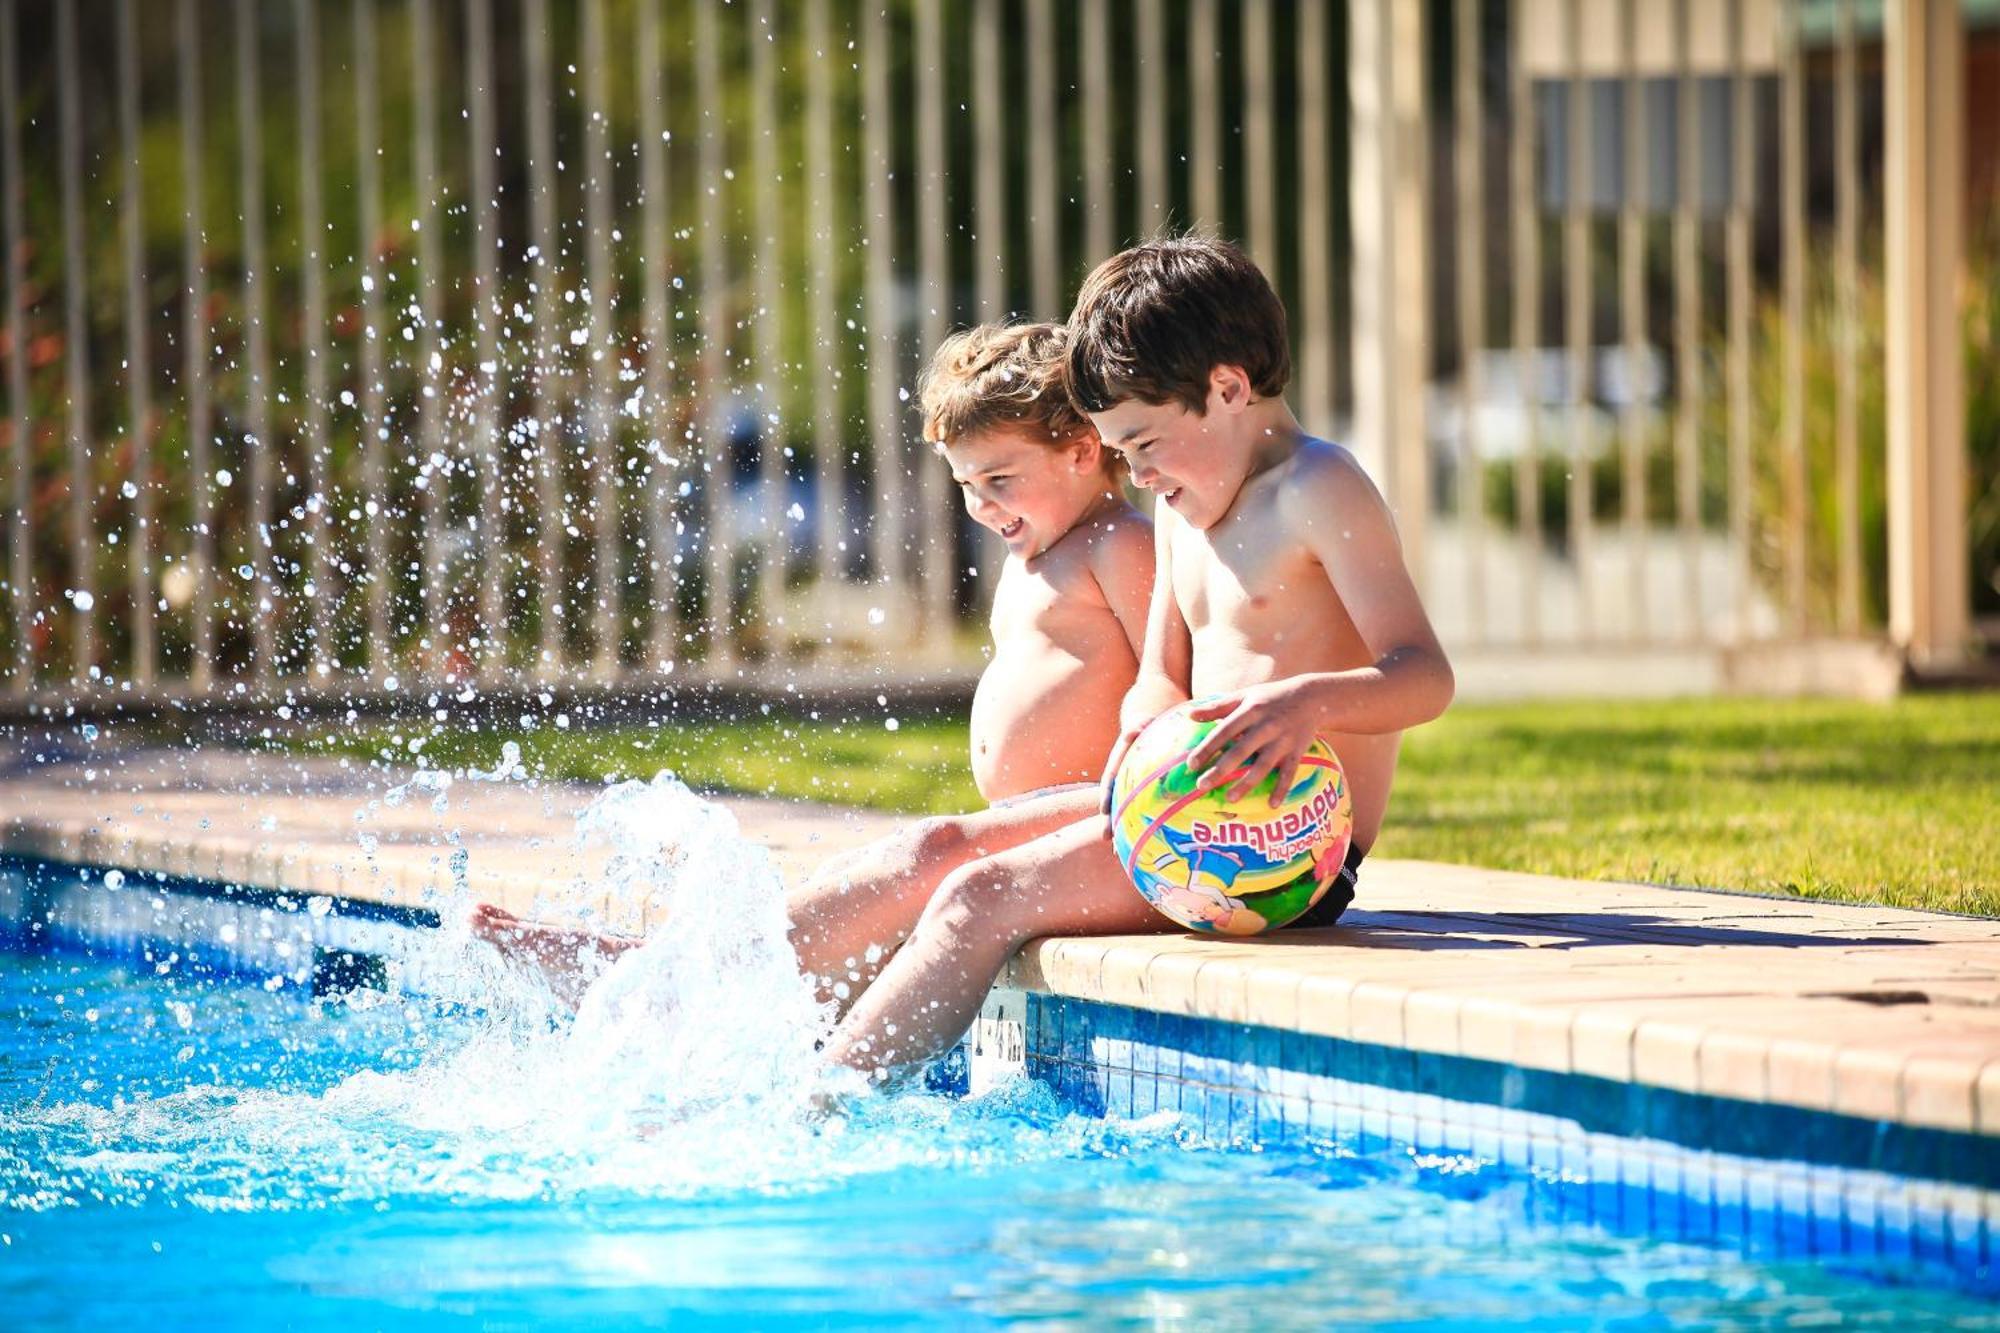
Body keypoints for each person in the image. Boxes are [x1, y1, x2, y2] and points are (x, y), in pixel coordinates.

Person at [815, 234, 1454, 1082]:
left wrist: (1304, 705)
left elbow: (1424, 674)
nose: (1138, 473)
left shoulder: (1318, 489)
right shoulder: (1185, 512)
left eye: (1144, 443)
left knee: (980, 899)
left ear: (1227, 387)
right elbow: (1161, 669)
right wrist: (1140, 723)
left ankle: (823, 1109)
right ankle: (714, 1006)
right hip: (1182, 804)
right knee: (936, 850)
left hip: (1278, 843)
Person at [473, 322, 1155, 1011]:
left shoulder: (1119, 546)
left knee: (931, 848)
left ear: (1081, 449)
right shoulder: (1040, 551)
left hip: (1101, 820)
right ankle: (692, 972)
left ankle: (666, 985)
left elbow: (1172, 693)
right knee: (880, 868)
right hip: (1039, 819)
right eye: (967, 484)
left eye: (1000, 479)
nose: (981, 505)